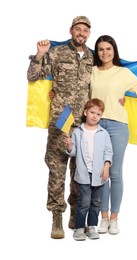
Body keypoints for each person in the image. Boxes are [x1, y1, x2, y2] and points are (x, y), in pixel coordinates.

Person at [90, 35, 137, 235]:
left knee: (114, 172)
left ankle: (114, 218)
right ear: (96, 52)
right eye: (100, 49)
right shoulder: (92, 72)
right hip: (96, 127)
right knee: (100, 174)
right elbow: (81, 94)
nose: (104, 53)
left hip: (117, 126)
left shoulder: (123, 73)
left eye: (108, 49)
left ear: (114, 50)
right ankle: (103, 218)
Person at [27, 16, 93, 239]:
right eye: (78, 29)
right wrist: (39, 55)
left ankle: (75, 214)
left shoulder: (92, 57)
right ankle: (56, 217)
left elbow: (103, 83)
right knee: (57, 170)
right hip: (60, 120)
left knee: (79, 172)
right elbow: (33, 76)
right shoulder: (57, 53)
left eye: (85, 30)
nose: (81, 33)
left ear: (88, 34)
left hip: (83, 125)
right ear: (71, 30)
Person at [65, 98, 113, 241]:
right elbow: (73, 152)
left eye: (98, 114)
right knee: (84, 202)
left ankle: (91, 226)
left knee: (96, 202)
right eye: (92, 112)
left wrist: (106, 167)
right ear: (85, 112)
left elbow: (108, 152)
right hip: (84, 174)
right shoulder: (78, 132)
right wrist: (68, 146)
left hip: (99, 174)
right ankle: (79, 228)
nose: (94, 116)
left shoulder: (103, 133)